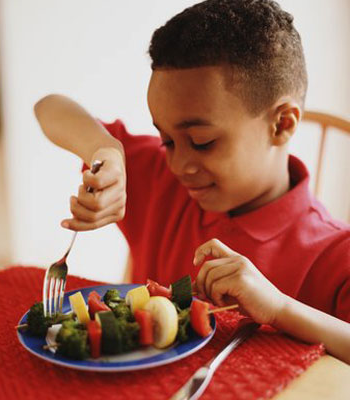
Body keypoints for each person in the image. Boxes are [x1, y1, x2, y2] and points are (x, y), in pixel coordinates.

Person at [34, 0, 350, 363]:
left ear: (282, 124)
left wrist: (279, 309)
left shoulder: (335, 255)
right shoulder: (160, 179)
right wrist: (105, 149)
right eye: (166, 140)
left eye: (202, 142)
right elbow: (49, 106)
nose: (179, 163)